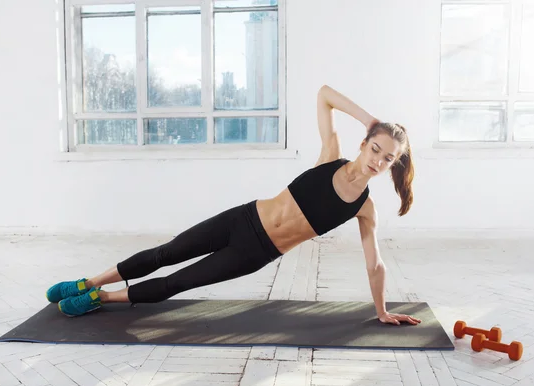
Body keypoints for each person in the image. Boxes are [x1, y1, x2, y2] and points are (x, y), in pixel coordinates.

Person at [46, 85, 421, 326]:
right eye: (376, 148)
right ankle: (89, 281)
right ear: (364, 143)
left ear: (392, 165)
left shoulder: (364, 208)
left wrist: (382, 311)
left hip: (254, 252)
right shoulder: (330, 158)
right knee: (167, 252)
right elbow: (322, 93)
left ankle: (100, 297)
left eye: (388, 158)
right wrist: (369, 119)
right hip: (243, 218)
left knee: (178, 282)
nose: (378, 160)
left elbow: (375, 263)